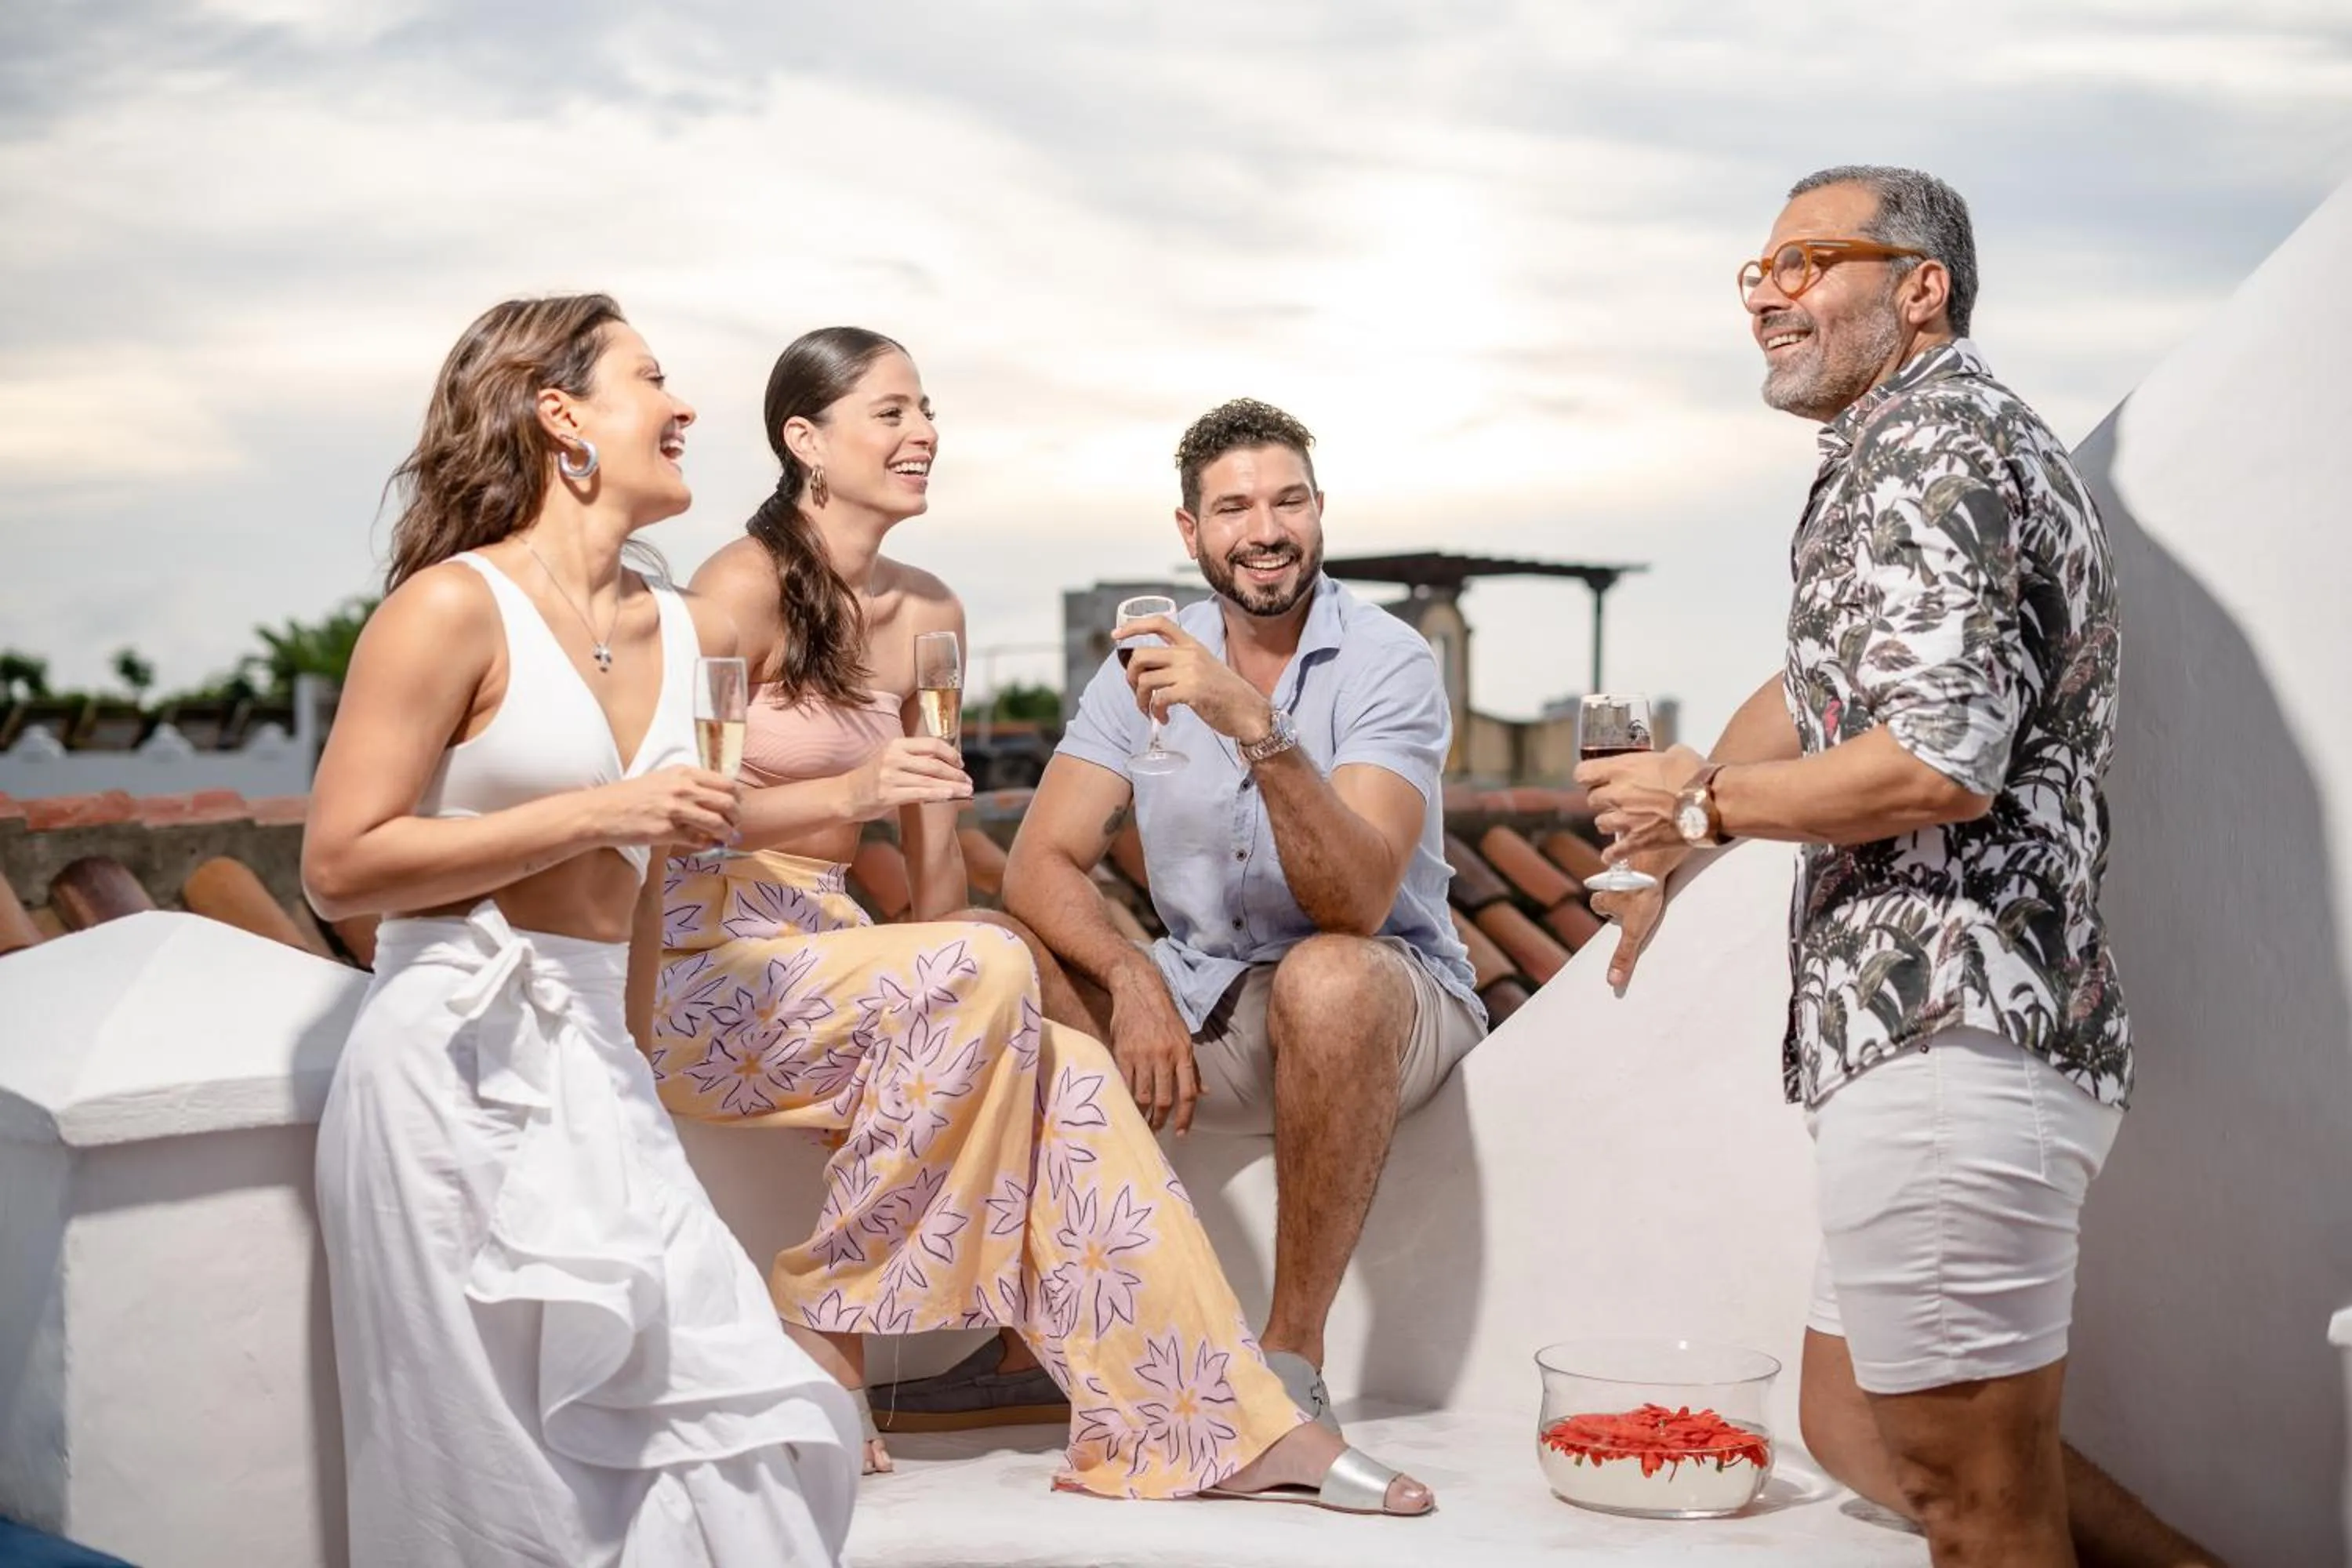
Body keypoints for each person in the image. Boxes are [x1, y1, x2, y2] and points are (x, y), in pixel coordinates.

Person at [647, 328, 1432, 1515]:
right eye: (892, 413)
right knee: (994, 969)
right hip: (708, 960)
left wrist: (983, 986)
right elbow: (662, 811)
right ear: (806, 441)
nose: (924, 435)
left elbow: (938, 862)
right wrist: (845, 796)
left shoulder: (927, 613)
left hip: (844, 954)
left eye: (927, 411)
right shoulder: (732, 591)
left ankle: (1218, 1420)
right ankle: (826, 1315)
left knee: (1060, 1063)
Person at [1579, 167, 2222, 1568]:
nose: (1766, 292)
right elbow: (1819, 687)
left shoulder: (1936, 447)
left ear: (1920, 287)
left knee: (1975, 1506)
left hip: (1955, 1028)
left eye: (1807, 261)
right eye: (1755, 270)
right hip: (1933, 1040)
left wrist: (1707, 813)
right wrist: (1674, 842)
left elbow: (1936, 762)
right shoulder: (1905, 447)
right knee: (1860, 1427)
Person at [304, 295, 859, 1567]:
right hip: (450, 1069)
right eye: (651, 380)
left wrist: (638, 1065)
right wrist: (599, 808)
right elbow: (340, 864)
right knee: (491, 1486)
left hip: (599, 1061)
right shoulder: (447, 611)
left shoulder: (698, 632)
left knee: (742, 1427)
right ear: (563, 417)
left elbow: (662, 877)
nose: (685, 408)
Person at [976, 396, 1486, 1435]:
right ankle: (1035, 1337)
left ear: (1320, 511)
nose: (1267, 529)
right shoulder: (1141, 661)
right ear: (1190, 532)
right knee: (997, 955)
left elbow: (1356, 902)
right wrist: (1130, 974)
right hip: (1207, 1001)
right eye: (1236, 507)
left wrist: (1254, 724)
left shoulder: (1388, 659)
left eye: (1289, 501)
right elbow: (1037, 865)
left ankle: (1288, 1361)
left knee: (1325, 974)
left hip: (1386, 999)